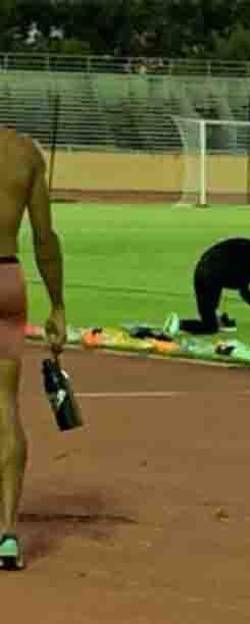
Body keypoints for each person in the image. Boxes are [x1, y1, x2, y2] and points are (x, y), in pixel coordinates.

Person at [0, 128, 67, 570]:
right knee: (4, 405)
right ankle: (6, 534)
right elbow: (45, 237)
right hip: (7, 278)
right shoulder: (23, 152)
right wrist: (58, 305)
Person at [166, 235, 250, 336]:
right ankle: (180, 324)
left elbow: (244, 290)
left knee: (209, 314)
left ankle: (215, 321)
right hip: (214, 277)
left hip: (200, 272)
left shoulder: (247, 252)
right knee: (210, 327)